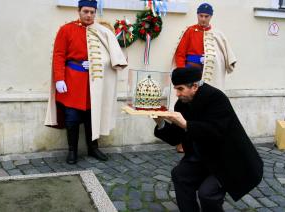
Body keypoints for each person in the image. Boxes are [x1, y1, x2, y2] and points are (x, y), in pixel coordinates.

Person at [154, 67, 263, 211]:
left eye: (180, 89)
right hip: (203, 158)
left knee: (207, 194)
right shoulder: (182, 103)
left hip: (228, 160)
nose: (177, 94)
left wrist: (186, 124)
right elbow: (176, 137)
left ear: (194, 86)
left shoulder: (216, 98)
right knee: (180, 175)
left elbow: (216, 131)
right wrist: (160, 122)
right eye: (176, 89)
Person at [45, 0, 128, 164]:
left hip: (94, 83)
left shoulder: (102, 32)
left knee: (92, 116)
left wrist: (97, 62)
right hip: (72, 81)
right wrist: (59, 79)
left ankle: (93, 148)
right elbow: (59, 55)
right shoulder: (66, 29)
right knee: (72, 118)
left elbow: (110, 56)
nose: (89, 15)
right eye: (85, 11)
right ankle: (72, 151)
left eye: (92, 12)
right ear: (79, 11)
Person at [172, 2, 237, 153]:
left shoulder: (217, 34)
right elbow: (180, 54)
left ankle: (205, 138)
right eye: (201, 16)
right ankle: (183, 141)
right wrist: (182, 74)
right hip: (190, 74)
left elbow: (225, 55)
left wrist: (210, 59)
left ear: (211, 17)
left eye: (206, 16)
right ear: (197, 15)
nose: (203, 19)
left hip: (208, 76)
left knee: (205, 107)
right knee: (187, 108)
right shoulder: (189, 31)